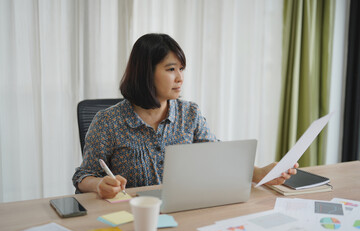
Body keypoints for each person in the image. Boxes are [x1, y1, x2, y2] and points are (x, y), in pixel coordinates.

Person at [72, 33, 298, 199]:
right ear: (145, 73)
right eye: (171, 69)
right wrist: (100, 184)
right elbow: (84, 176)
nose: (180, 78)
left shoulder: (190, 113)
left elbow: (217, 155)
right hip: (133, 217)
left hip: (183, 211)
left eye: (182, 69)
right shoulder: (108, 121)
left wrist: (260, 173)